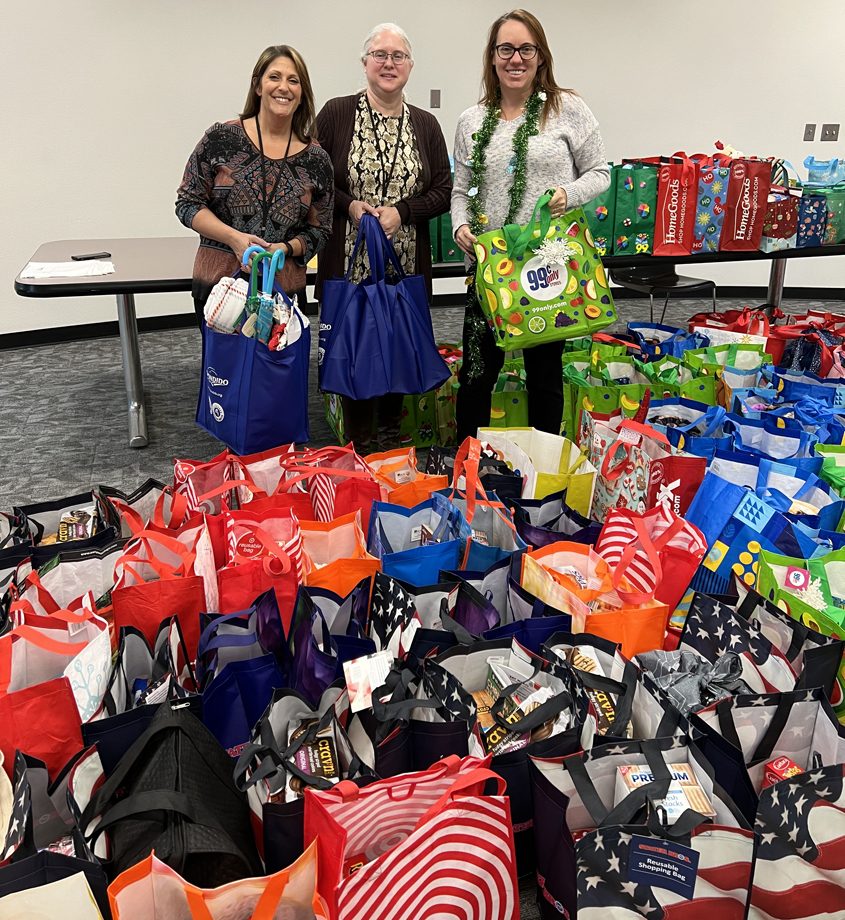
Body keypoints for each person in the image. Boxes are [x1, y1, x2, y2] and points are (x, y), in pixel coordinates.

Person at [451, 9, 611, 440]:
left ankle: (545, 469)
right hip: (491, 270)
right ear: (492, 57)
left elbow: (600, 172)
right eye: (506, 48)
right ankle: (469, 465)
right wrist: (460, 226)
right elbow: (459, 188)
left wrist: (566, 195)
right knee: (477, 374)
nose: (515, 58)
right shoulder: (471, 120)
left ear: (540, 56)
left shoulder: (568, 109)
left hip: (546, 269)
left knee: (544, 374)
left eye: (526, 48)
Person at [315, 23, 452, 453]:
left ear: (410, 66)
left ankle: (393, 442)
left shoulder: (426, 124)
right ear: (364, 63)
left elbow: (444, 189)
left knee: (398, 349)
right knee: (357, 355)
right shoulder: (336, 114)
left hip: (405, 266)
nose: (389, 63)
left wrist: (404, 212)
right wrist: (351, 206)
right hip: (350, 266)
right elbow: (315, 182)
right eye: (380, 55)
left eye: (398, 56)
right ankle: (359, 444)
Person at [176, 45, 334, 325]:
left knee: (279, 369)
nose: (283, 87)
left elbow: (320, 230)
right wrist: (234, 239)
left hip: (284, 294)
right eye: (274, 77)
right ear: (258, 85)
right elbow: (188, 204)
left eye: (293, 80)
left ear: (302, 93)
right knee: (225, 369)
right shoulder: (220, 138)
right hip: (220, 290)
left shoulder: (317, 159)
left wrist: (285, 248)